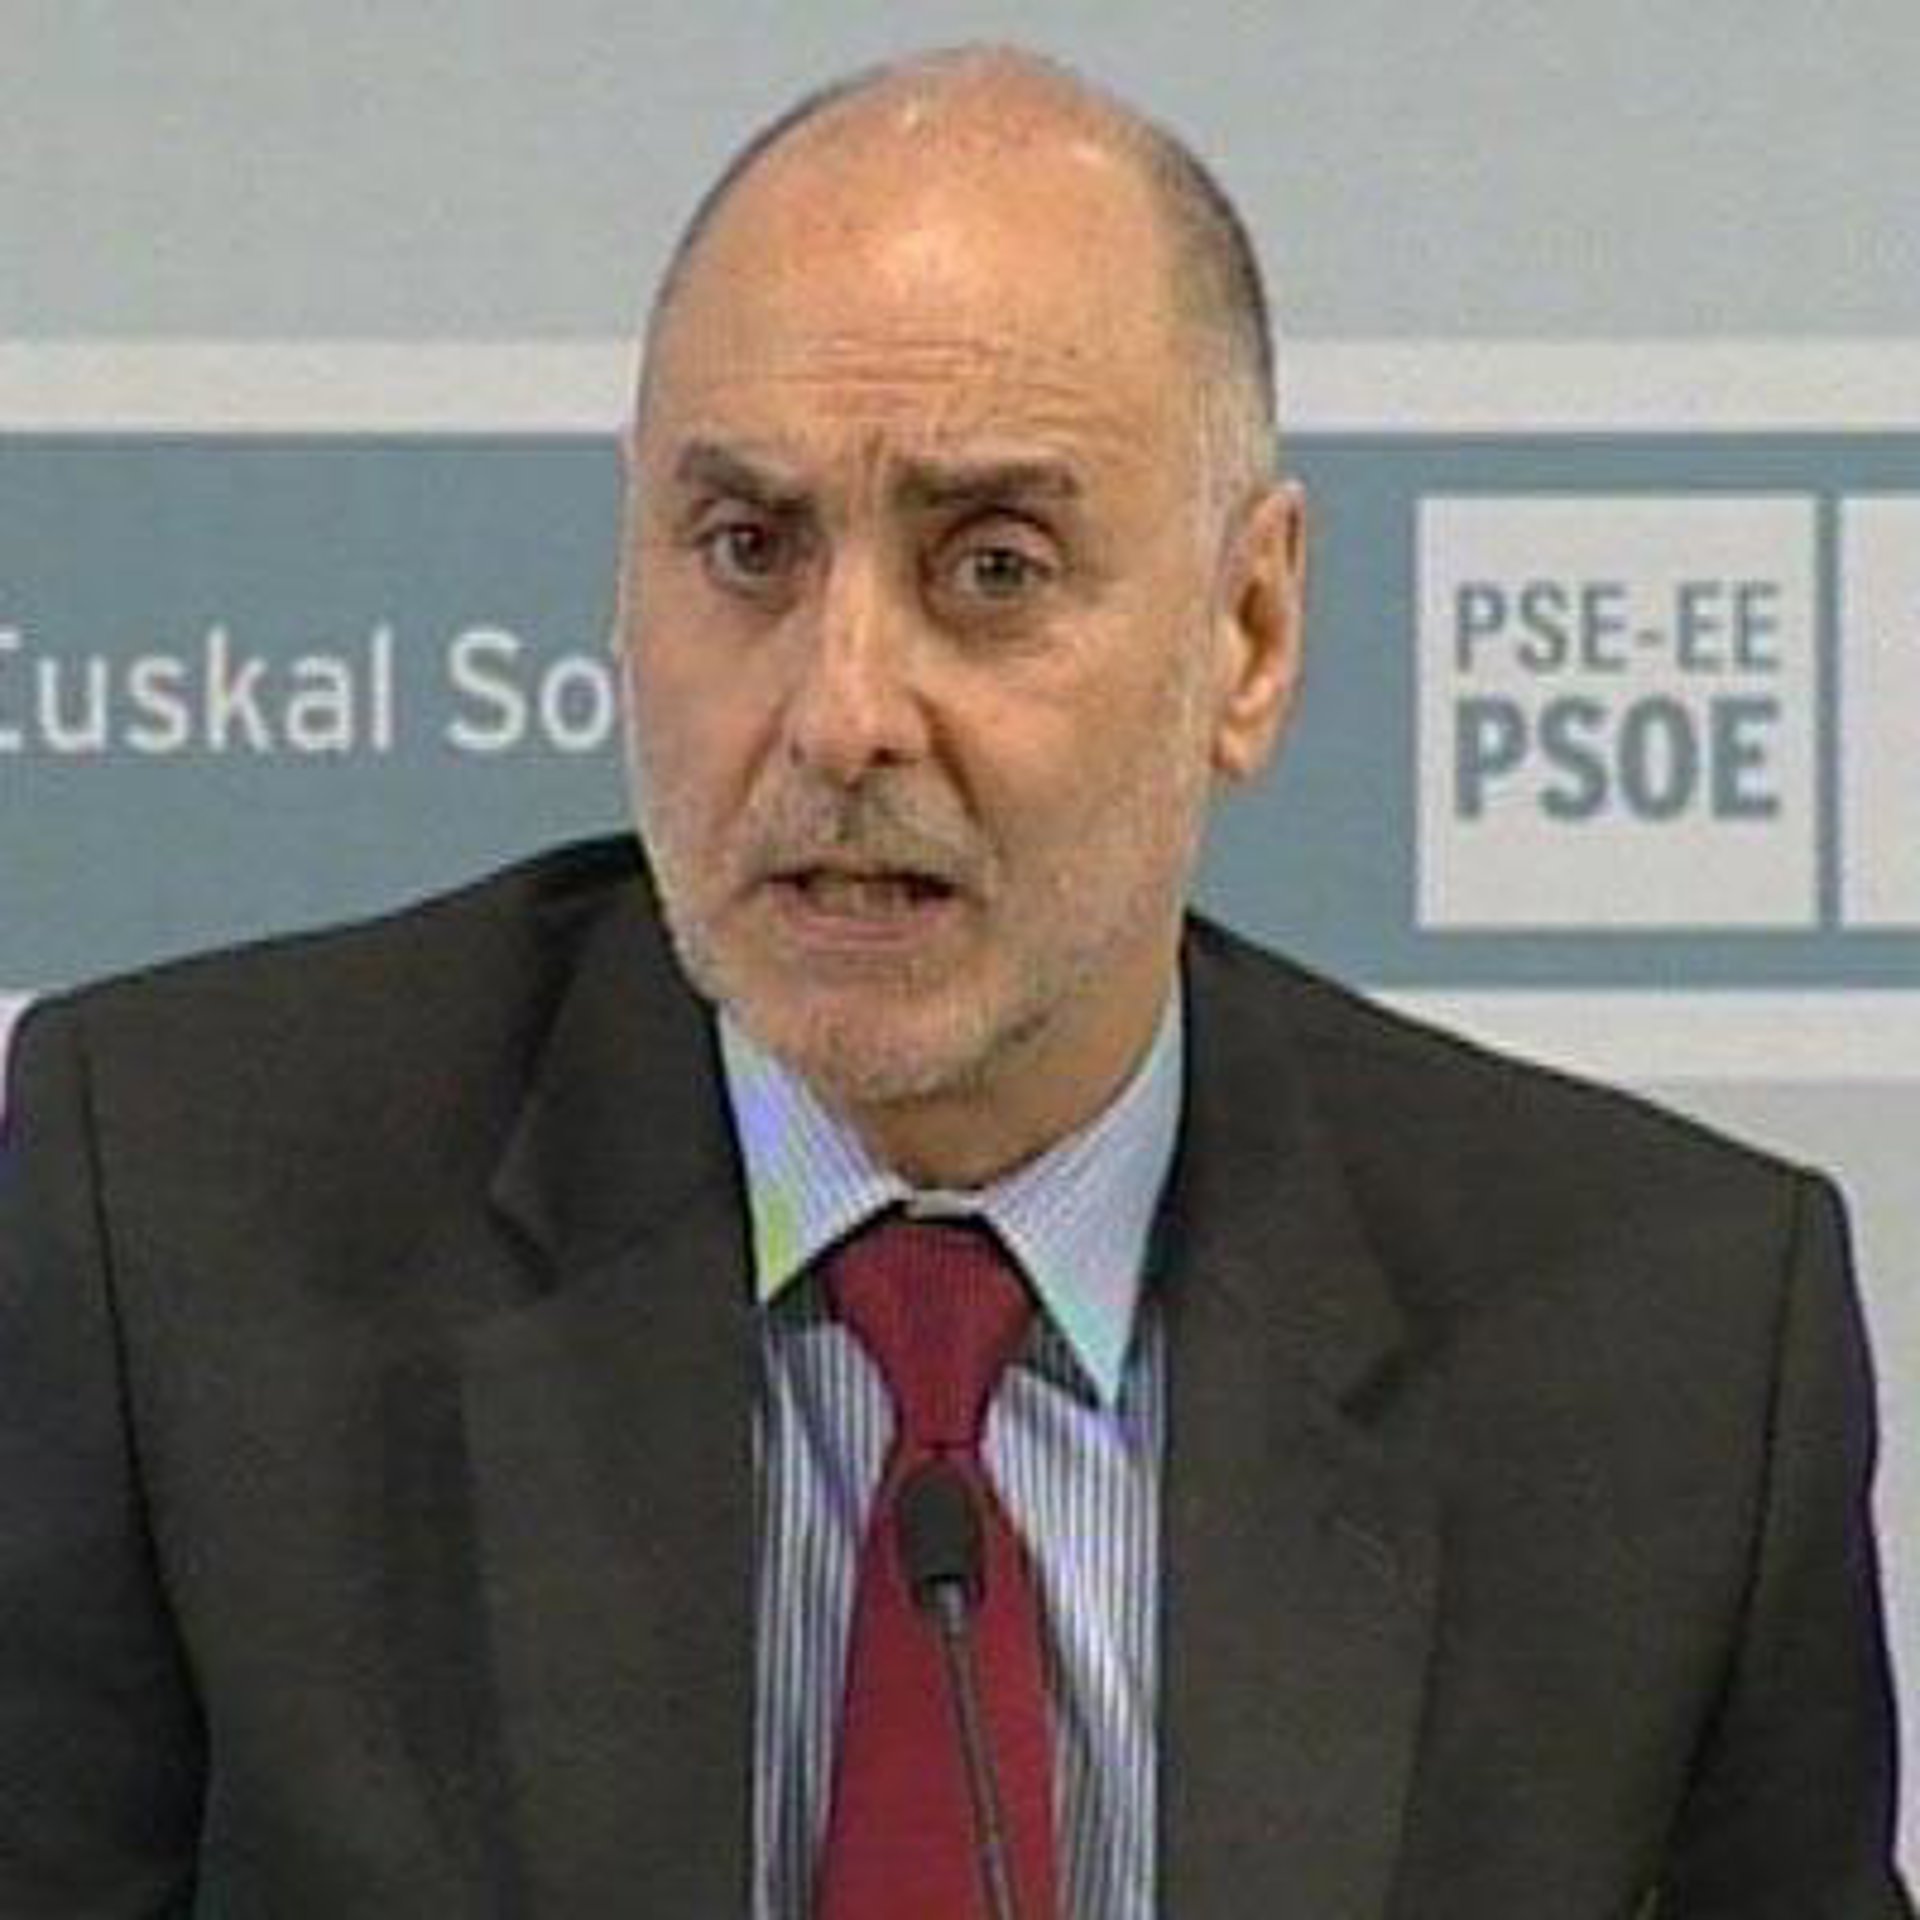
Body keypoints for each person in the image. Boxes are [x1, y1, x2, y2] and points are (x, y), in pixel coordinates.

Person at [0, 43, 1908, 1920]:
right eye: (747, 548)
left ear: (1248, 634)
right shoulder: (175, 1218)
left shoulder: (1660, 1358)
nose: (840, 713)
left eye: (992, 568)